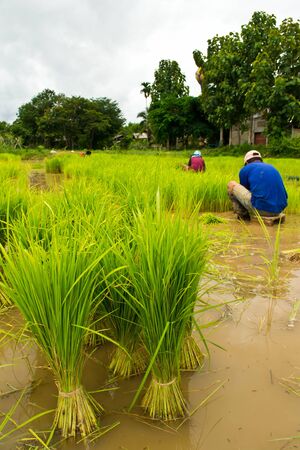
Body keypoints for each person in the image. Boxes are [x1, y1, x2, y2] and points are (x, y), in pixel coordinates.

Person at [227, 150, 288, 220]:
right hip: (279, 210)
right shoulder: (272, 167)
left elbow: (245, 189)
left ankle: (243, 217)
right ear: (261, 160)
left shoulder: (245, 169)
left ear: (246, 162)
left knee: (231, 184)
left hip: (262, 210)